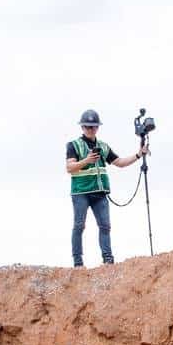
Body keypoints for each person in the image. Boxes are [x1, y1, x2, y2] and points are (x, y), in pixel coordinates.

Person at [65, 108, 147, 266]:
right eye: (88, 126)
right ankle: (78, 262)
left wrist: (138, 155)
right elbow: (70, 168)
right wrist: (86, 161)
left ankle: (108, 260)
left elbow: (120, 163)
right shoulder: (73, 145)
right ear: (82, 127)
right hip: (81, 192)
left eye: (94, 126)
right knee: (79, 225)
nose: (91, 129)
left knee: (105, 226)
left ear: (97, 127)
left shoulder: (103, 146)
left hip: (100, 193)